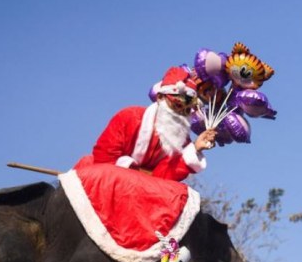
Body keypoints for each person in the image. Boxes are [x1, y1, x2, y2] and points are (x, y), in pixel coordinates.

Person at [75, 66, 218, 181]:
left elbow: (164, 179)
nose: (181, 112)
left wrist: (195, 148)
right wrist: (135, 174)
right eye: (177, 105)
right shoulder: (129, 117)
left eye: (187, 110)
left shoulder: (181, 141)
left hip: (146, 192)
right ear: (160, 97)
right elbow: (104, 157)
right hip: (109, 180)